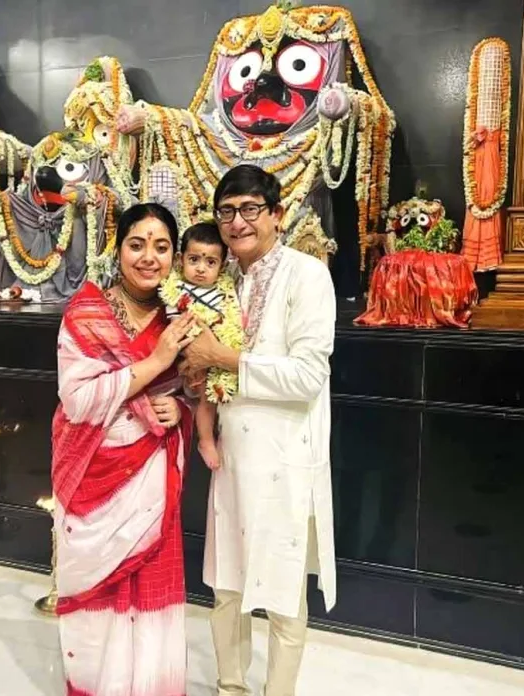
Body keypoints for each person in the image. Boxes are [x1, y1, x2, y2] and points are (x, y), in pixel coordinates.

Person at [180, 165, 337, 696]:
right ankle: (230, 686)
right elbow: (198, 364)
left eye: (250, 209)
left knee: (285, 595)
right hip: (231, 459)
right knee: (226, 587)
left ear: (277, 214)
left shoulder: (306, 275)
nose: (238, 222)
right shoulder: (219, 278)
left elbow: (308, 375)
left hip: (284, 459)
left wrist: (223, 358)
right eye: (227, 211)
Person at [51, 202, 196, 696]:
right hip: (94, 475)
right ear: (118, 251)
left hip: (151, 479)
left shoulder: (181, 317)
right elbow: (77, 398)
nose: (149, 258)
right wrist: (155, 362)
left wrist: (181, 409)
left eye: (162, 247)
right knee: (99, 599)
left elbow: (195, 391)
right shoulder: (86, 313)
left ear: (175, 256)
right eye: (137, 244)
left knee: (151, 587)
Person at [161, 221, 233, 471]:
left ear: (222, 266)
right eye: (194, 260)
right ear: (180, 259)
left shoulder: (224, 291)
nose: (201, 268)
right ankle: (206, 440)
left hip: (223, 357)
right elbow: (178, 327)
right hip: (192, 358)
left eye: (210, 262)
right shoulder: (176, 290)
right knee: (205, 398)